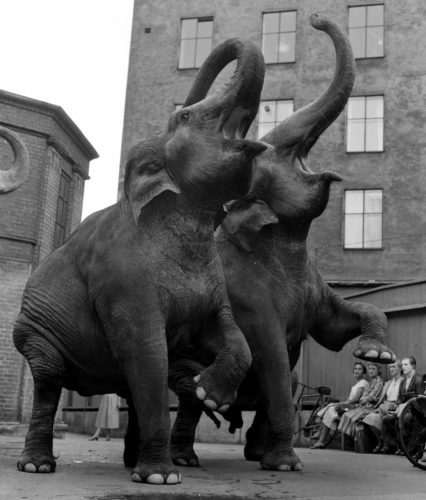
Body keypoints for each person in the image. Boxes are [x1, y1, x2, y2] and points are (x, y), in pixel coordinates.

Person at [310, 362, 368, 449]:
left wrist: (343, 403)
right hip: (350, 406)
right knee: (330, 407)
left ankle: (320, 438)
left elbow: (356, 399)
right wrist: (343, 403)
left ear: (364, 372)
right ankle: (320, 437)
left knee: (331, 409)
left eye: (359, 369)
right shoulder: (357, 383)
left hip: (355, 408)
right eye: (355, 369)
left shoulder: (363, 383)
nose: (357, 371)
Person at [380, 356, 424, 454]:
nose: (403, 367)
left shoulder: (418, 379)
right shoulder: (403, 381)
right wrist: (398, 406)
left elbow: (420, 400)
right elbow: (400, 398)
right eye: (402, 365)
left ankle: (408, 448)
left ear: (413, 366)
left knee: (406, 418)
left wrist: (406, 406)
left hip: (416, 411)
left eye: (406, 364)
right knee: (387, 419)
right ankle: (393, 446)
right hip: (404, 409)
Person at [362, 359, 403, 453]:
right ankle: (381, 441)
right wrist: (382, 405)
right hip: (386, 406)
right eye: (390, 367)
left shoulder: (403, 381)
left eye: (394, 367)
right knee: (370, 418)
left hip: (396, 406)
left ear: (400, 369)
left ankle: (387, 444)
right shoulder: (389, 382)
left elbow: (402, 398)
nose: (391, 369)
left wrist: (393, 405)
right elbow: (383, 398)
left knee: (383, 418)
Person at [338, 362, 384, 439]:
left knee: (349, 416)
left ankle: (352, 438)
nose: (371, 371)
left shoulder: (379, 382)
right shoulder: (371, 382)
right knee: (346, 415)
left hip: (371, 407)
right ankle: (350, 438)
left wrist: (366, 398)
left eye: (373, 369)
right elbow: (364, 396)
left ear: (378, 371)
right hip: (364, 405)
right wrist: (365, 398)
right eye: (370, 369)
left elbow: (372, 396)